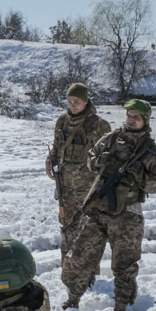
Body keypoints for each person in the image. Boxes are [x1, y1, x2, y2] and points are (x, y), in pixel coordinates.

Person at [62, 99, 156, 311]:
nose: (131, 119)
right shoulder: (110, 139)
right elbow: (90, 160)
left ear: (145, 120)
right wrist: (100, 161)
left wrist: (138, 177)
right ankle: (73, 298)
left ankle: (122, 306)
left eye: (136, 116)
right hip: (99, 210)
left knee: (125, 265)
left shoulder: (151, 152)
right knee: (80, 256)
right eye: (129, 115)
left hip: (128, 214)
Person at [44, 83, 111, 296]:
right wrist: (49, 160)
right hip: (66, 188)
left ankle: (88, 275)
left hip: (88, 190)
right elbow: (56, 147)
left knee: (87, 233)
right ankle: (69, 273)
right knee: (66, 230)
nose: (73, 106)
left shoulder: (99, 125)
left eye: (77, 102)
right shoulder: (62, 121)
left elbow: (108, 157)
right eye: (70, 102)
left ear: (86, 102)